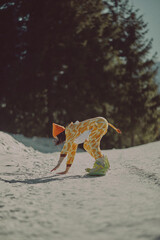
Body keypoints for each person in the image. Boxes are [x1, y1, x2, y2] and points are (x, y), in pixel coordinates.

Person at [51, 117, 121, 175]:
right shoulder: (72, 138)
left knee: (92, 143)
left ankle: (101, 165)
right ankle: (103, 162)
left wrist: (58, 164)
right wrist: (66, 170)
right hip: (100, 123)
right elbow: (71, 153)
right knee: (86, 145)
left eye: (57, 138)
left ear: (60, 136)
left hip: (99, 123)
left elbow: (65, 148)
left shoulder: (69, 131)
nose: (59, 141)